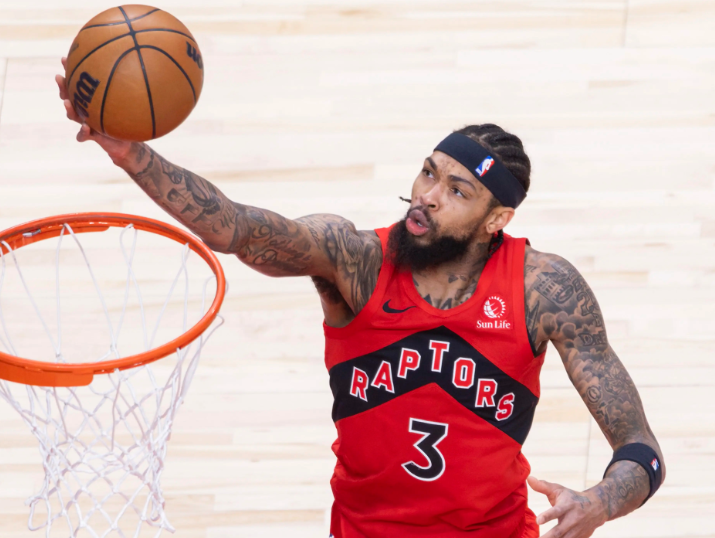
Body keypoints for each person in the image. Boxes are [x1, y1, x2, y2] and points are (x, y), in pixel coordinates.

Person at [56, 58, 665, 538]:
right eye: (428, 172)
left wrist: (599, 503)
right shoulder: (355, 260)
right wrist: (132, 153)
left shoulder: (542, 290)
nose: (427, 195)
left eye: (457, 191)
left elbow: (641, 450)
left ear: (495, 220)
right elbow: (237, 228)